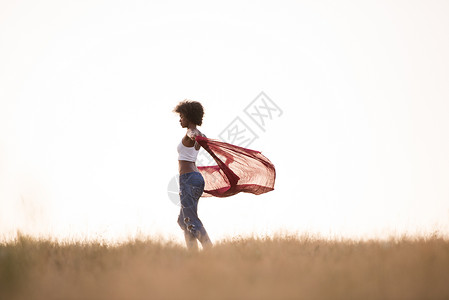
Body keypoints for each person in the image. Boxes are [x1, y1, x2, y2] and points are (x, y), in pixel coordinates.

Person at [173, 100, 213, 250]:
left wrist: (192, 134)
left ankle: (210, 249)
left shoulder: (193, 133)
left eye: (182, 116)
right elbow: (199, 137)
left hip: (188, 179)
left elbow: (193, 133)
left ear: (189, 117)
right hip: (195, 179)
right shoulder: (200, 134)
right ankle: (193, 255)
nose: (180, 119)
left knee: (190, 219)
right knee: (184, 221)